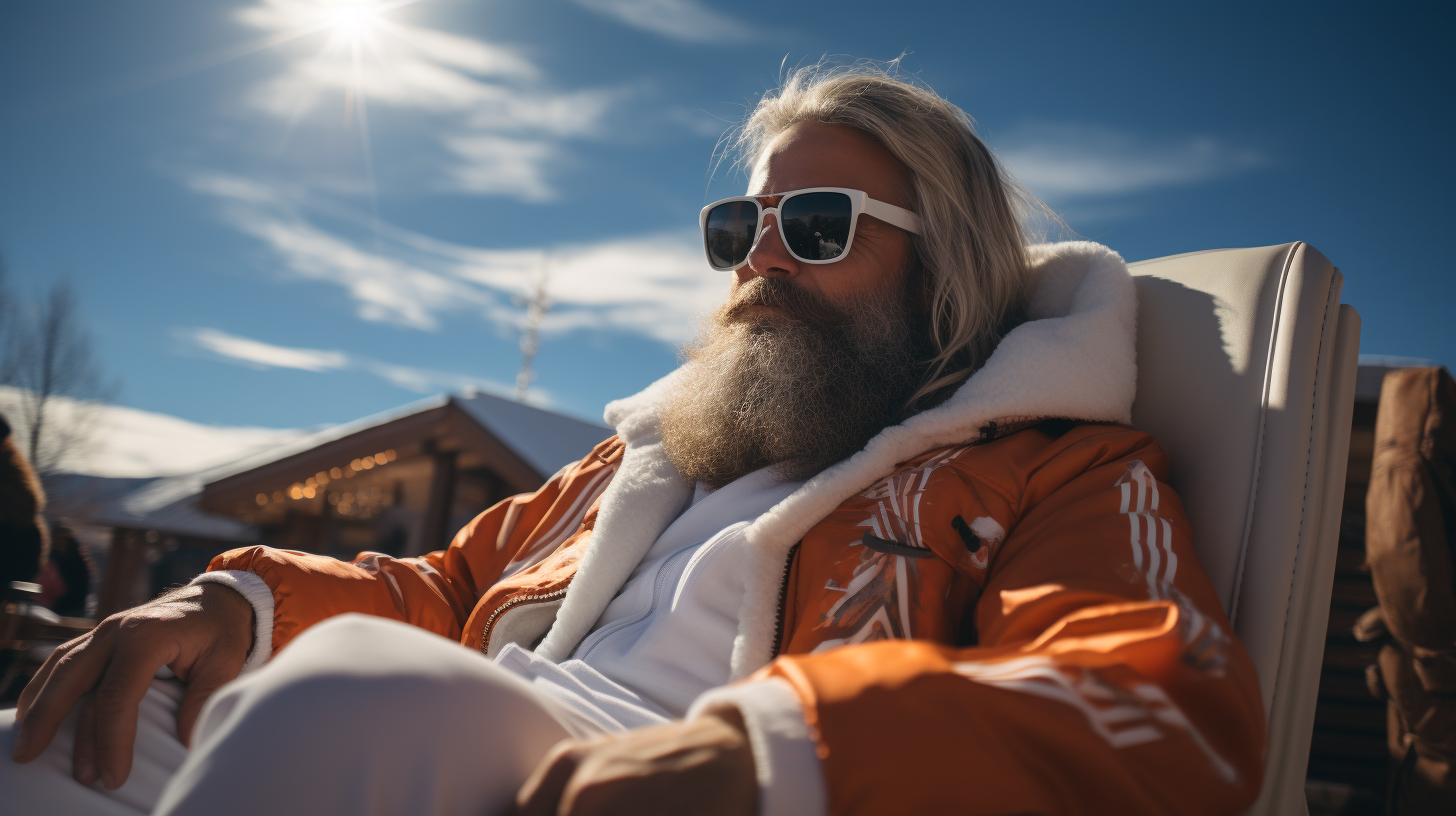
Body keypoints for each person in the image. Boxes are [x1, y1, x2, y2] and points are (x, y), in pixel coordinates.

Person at [1, 65, 1267, 816]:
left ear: (947, 266)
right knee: (65, 730)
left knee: (361, 696)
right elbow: (447, 589)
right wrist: (239, 603)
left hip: (676, 785)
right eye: (741, 227)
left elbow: (1161, 707)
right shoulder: (650, 457)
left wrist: (771, 756)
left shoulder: (1056, 468)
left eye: (817, 224)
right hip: (456, 737)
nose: (761, 258)